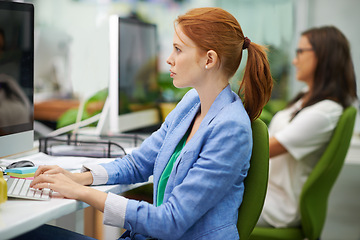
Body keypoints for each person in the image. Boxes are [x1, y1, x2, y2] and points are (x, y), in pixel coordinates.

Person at [19, 7, 273, 240]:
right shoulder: (192, 102)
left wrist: (82, 193)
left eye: (178, 49)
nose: (168, 59)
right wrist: (79, 178)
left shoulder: (230, 128)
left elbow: (171, 221)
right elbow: (140, 162)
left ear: (209, 60)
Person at [257, 26, 357, 228]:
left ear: (324, 56)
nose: (294, 61)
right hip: (266, 193)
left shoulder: (324, 112)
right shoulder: (305, 98)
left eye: (300, 52)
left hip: (277, 206)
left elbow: (265, 150)